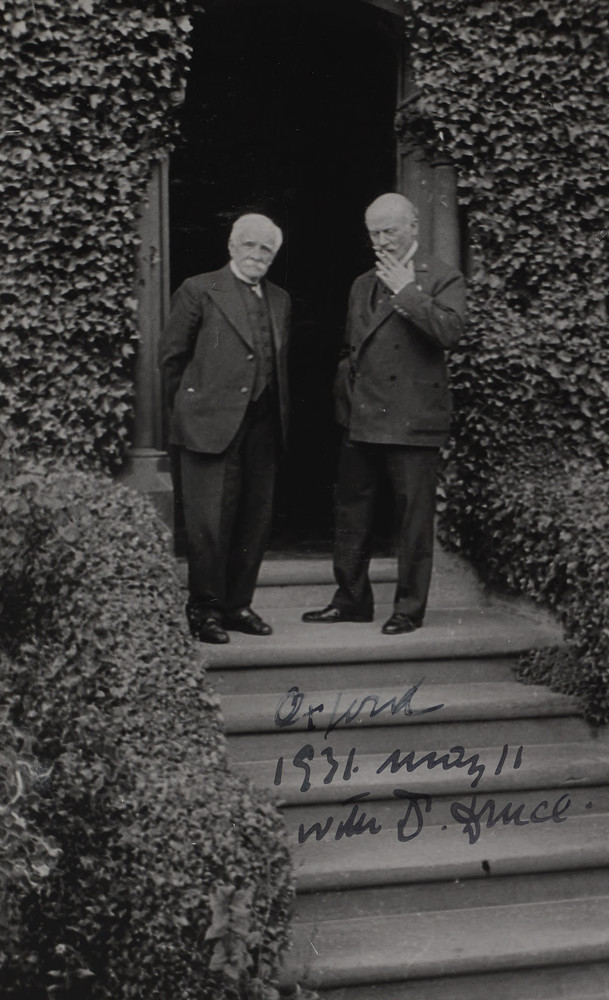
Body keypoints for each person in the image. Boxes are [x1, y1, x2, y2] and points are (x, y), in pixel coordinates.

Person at [303, 193, 466, 634]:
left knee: (412, 520)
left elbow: (451, 332)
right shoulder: (362, 283)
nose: (381, 241)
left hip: (414, 420)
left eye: (389, 231)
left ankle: (409, 609)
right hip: (362, 416)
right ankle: (351, 599)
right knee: (351, 513)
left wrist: (407, 292)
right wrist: (347, 397)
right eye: (373, 233)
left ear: (413, 226)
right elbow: (350, 348)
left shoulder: (442, 277)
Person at [158, 213, 290, 644]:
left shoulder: (281, 300)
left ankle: (238, 606)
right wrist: (191, 413)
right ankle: (205, 610)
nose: (257, 254)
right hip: (208, 426)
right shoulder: (200, 289)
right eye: (249, 245)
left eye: (266, 248)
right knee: (209, 525)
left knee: (255, 520)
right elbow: (171, 359)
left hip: (263, 427)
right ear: (232, 247)